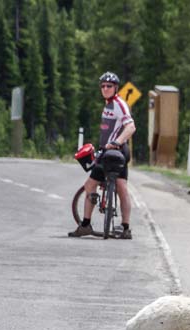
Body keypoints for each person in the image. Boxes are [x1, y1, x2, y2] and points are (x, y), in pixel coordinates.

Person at [69, 71, 136, 239]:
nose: (105, 88)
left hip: (116, 151)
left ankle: (123, 227)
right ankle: (87, 225)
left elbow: (131, 127)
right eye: (103, 86)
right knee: (100, 186)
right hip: (107, 151)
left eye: (109, 86)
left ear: (116, 88)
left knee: (107, 186)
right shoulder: (108, 104)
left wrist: (117, 142)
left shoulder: (119, 104)